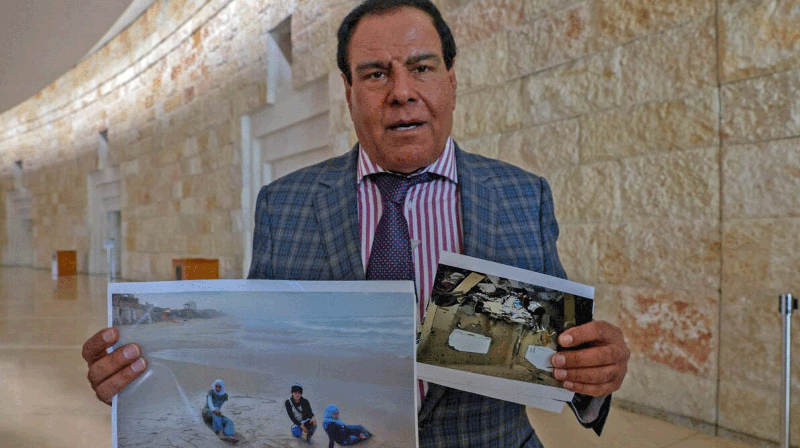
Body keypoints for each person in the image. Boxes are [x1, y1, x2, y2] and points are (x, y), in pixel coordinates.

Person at [82, 0, 630, 446]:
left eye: (422, 67)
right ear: (349, 93)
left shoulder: (522, 196)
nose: (402, 91)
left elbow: (560, 354)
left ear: (451, 80)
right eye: (375, 74)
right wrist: (141, 380)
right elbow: (257, 352)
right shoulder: (284, 204)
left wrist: (594, 377)